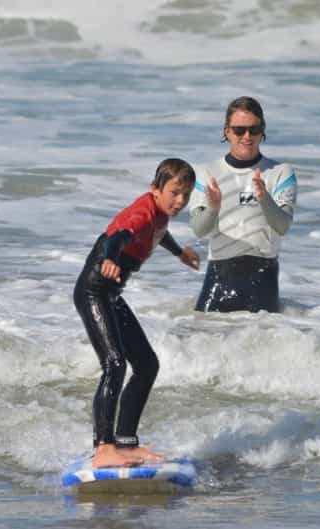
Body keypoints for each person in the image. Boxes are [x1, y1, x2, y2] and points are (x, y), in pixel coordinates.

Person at [73, 158, 200, 468]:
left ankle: (126, 442)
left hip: (110, 294)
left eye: (186, 194)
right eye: (174, 193)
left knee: (146, 365)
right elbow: (121, 235)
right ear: (155, 189)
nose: (180, 201)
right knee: (114, 364)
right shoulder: (142, 213)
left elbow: (159, 232)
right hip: (94, 290)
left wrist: (180, 252)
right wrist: (111, 258)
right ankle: (104, 448)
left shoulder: (159, 214)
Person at [188, 96, 297, 313]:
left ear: (262, 131)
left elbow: (282, 226)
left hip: (262, 277)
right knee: (201, 338)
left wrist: (264, 197)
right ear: (227, 131)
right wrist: (213, 208)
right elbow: (199, 230)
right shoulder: (206, 173)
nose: (247, 136)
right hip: (218, 275)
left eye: (253, 130)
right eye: (239, 130)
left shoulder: (280, 172)